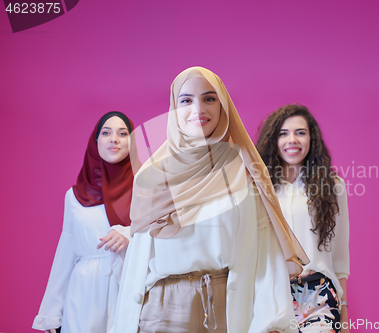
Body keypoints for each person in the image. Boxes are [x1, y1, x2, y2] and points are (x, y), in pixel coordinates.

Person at [113, 67, 309, 333]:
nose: (198, 109)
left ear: (223, 105)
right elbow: (137, 260)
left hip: (225, 307)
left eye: (209, 98)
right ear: (174, 108)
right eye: (186, 100)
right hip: (159, 309)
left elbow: (264, 251)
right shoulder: (152, 174)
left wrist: (272, 320)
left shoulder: (244, 170)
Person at [33, 111, 140, 333]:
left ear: (132, 141)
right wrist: (51, 313)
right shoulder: (74, 196)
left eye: (123, 133)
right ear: (96, 141)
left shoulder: (146, 189)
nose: (114, 139)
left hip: (130, 286)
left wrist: (130, 233)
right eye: (106, 132)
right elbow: (66, 252)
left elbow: (163, 236)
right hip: (84, 295)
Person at [256, 104, 350, 333]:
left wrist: (344, 313)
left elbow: (339, 258)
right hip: (270, 295)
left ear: (312, 139)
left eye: (300, 132)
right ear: (273, 140)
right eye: (283, 133)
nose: (292, 140)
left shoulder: (333, 186)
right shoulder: (258, 189)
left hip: (318, 296)